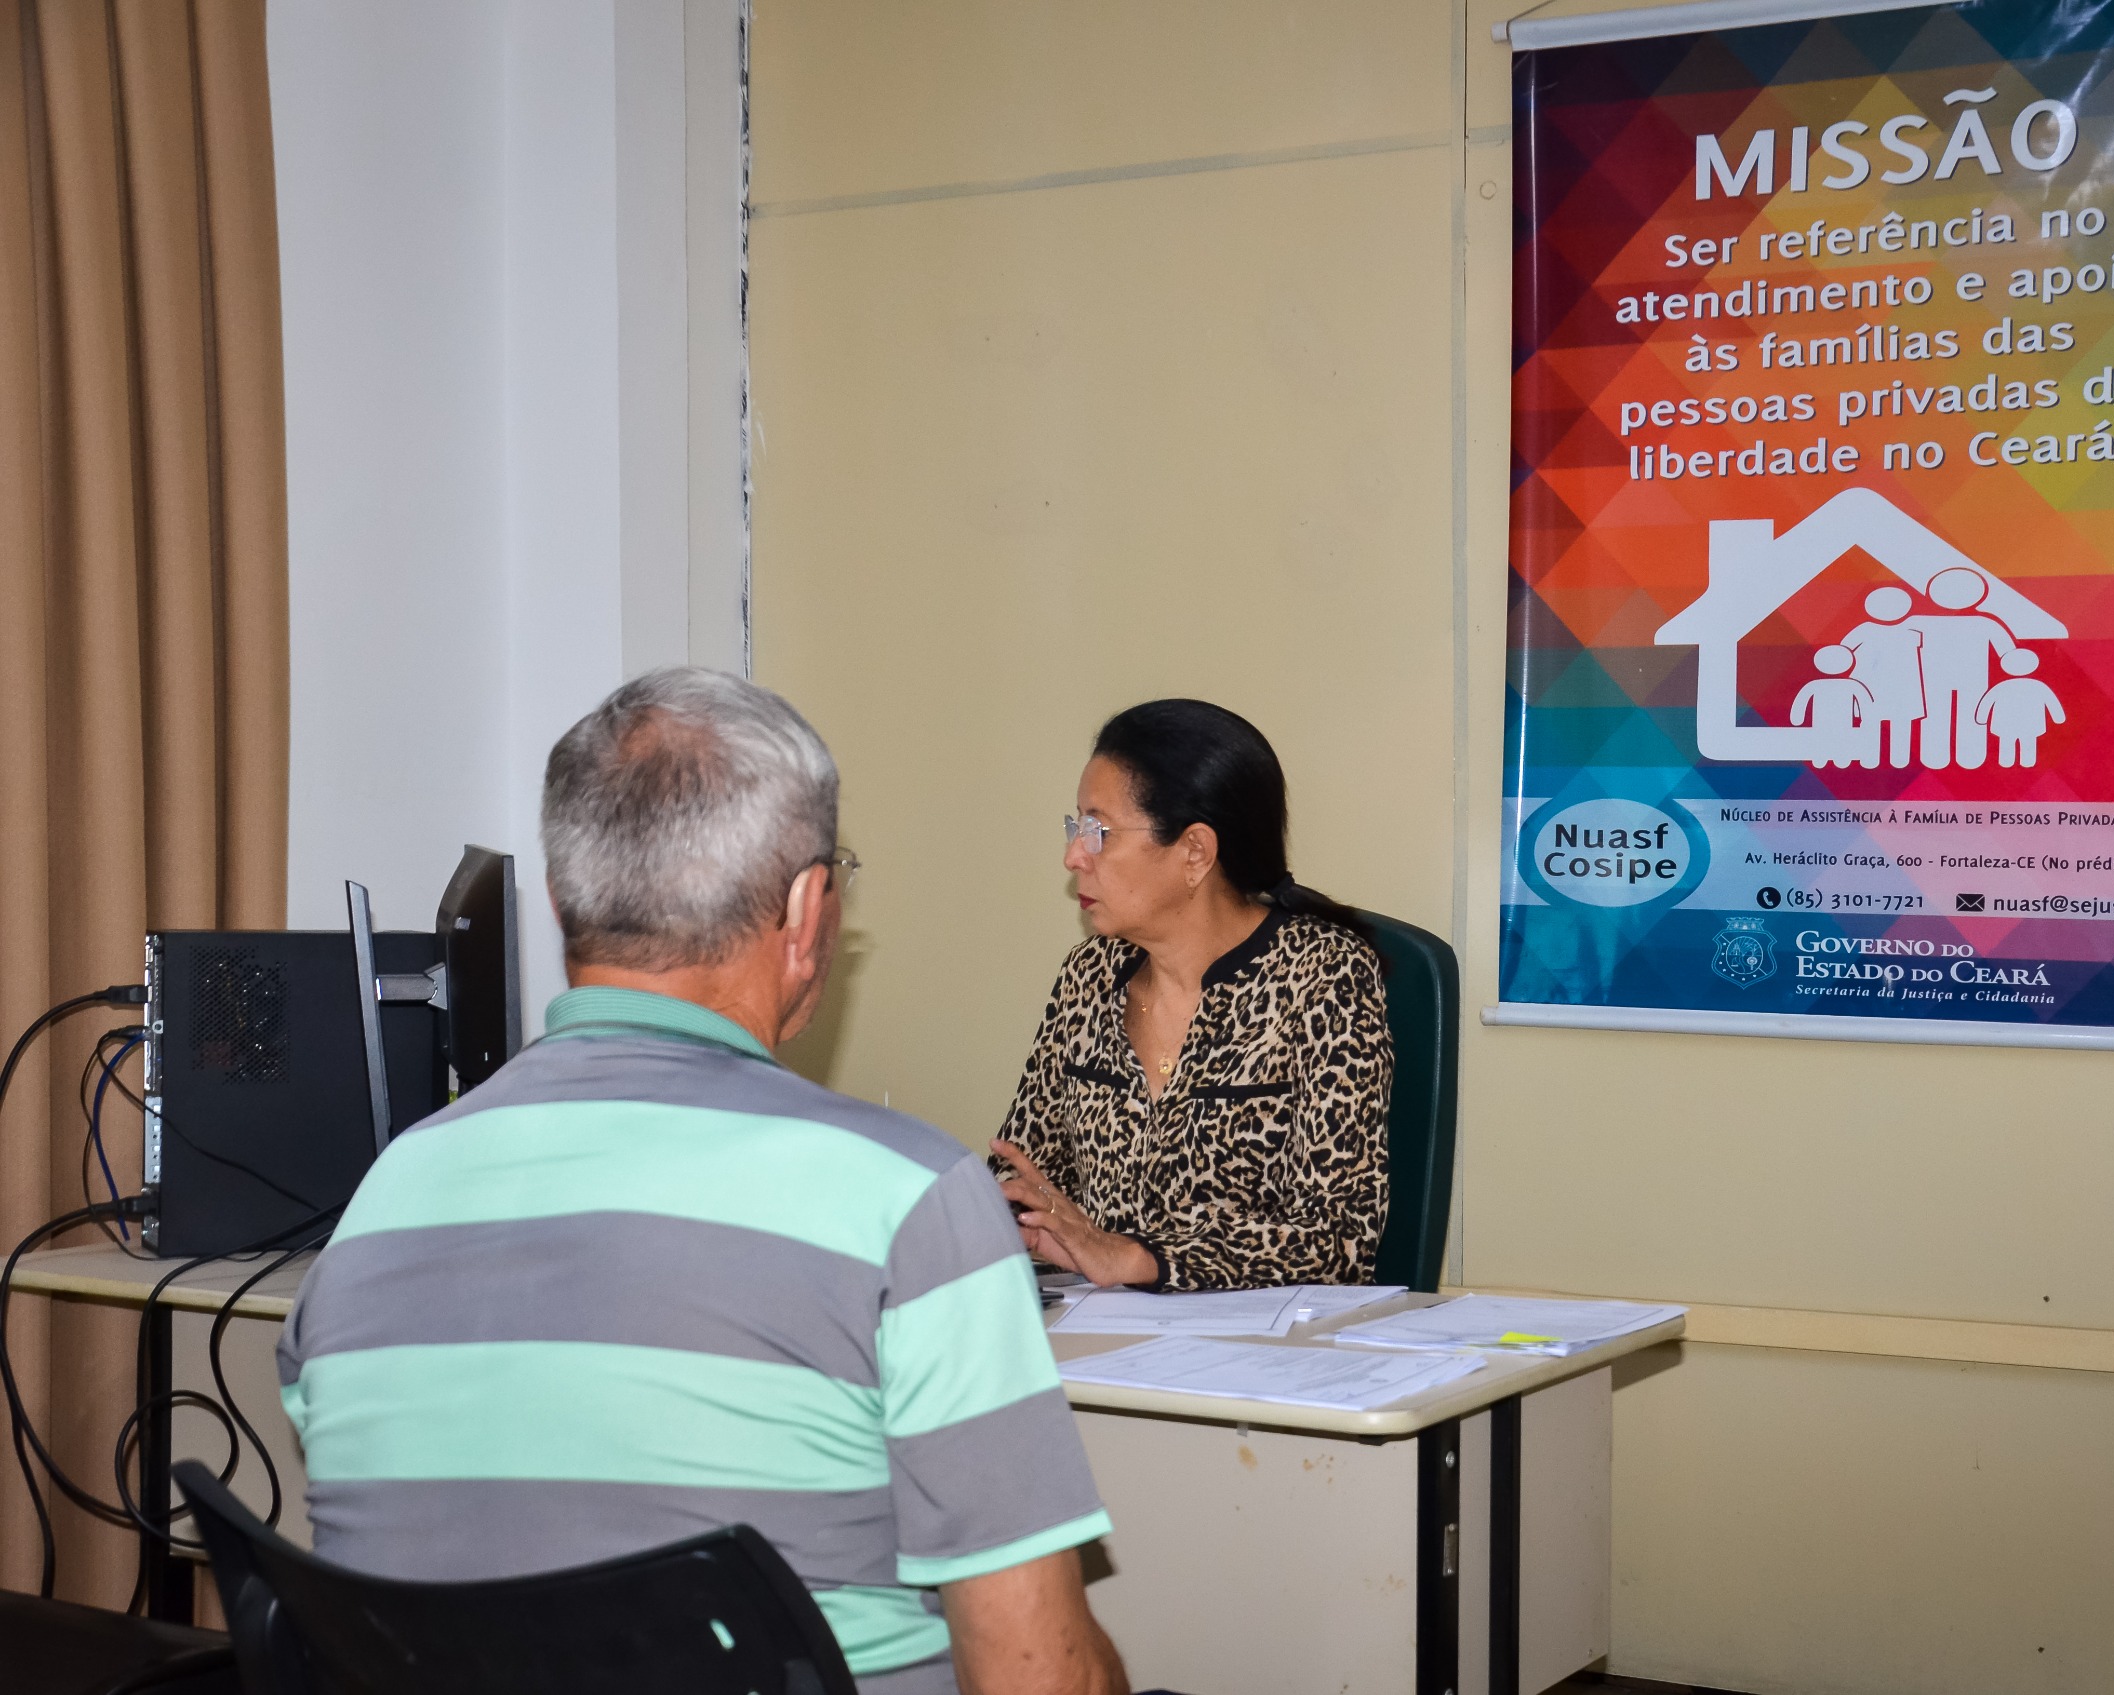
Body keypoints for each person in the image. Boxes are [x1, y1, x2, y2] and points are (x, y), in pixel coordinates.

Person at [276, 668, 1128, 1695]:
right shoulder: (910, 1199)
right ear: (811, 910)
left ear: (562, 902)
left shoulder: (386, 1194)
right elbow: (1039, 1680)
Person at [991, 699, 1391, 1292]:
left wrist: (1136, 1259)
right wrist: (1007, 1218)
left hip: (1260, 1360)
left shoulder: (1322, 976)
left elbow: (1338, 1240)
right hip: (1104, 1344)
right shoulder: (1089, 976)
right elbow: (1026, 1175)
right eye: (1076, 827)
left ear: (1196, 852)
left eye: (1098, 831)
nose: (1074, 855)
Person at [1906, 567, 2019, 770]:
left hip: (1965, 678)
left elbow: (2009, 654)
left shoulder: (1984, 623)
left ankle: (1961, 756)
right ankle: (1947, 756)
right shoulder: (1920, 622)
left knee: (1964, 714)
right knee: (1941, 714)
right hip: (1943, 678)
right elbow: (2009, 654)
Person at [1838, 586, 1926, 769]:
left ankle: (1898, 760)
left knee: (1900, 722)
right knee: (1872, 720)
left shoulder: (1912, 629)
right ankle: (1870, 757)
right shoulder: (1864, 629)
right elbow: (1843, 652)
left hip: (1903, 686)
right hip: (1872, 685)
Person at [1975, 647, 2066, 767]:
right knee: (2026, 743)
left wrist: (1981, 718)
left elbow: (1987, 702)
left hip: (2006, 724)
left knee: (2008, 743)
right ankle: (2026, 762)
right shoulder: (2038, 686)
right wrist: (2058, 718)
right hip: (2029, 724)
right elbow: (2052, 702)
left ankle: (2007, 762)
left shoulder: (2002, 687)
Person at [1790, 644, 1876, 769]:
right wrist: (1867, 715)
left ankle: (1827, 758)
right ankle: (1832, 758)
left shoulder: (1816, 685)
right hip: (1834, 725)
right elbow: (1864, 702)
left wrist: (1797, 718)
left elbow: (1801, 701)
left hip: (1836, 725)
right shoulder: (1850, 685)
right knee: (1829, 740)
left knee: (1832, 740)